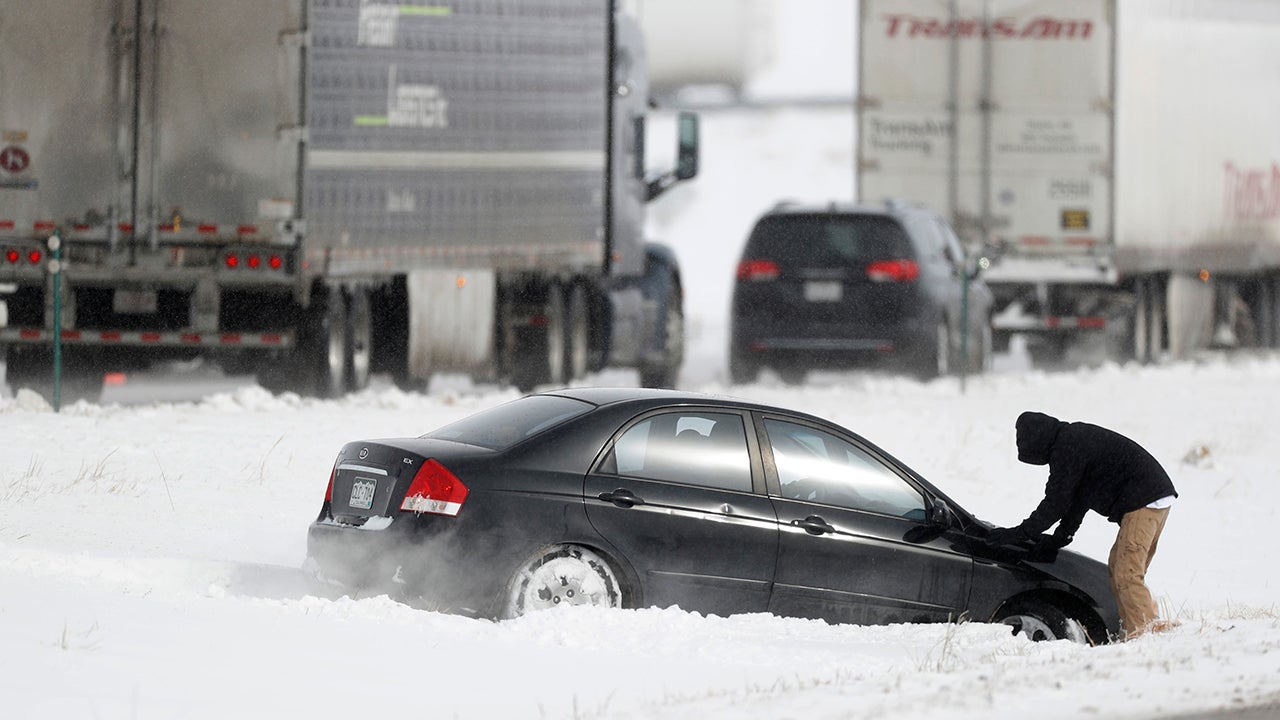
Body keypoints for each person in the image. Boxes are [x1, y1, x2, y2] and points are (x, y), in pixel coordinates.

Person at [985, 411, 1178, 640]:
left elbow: (1056, 503)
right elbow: (1077, 500)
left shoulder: (1068, 447)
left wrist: (1018, 534)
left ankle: (1146, 634)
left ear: (1038, 441)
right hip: (1152, 498)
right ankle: (1133, 630)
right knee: (1119, 567)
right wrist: (1059, 538)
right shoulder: (1071, 441)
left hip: (1145, 500)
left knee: (1127, 572)